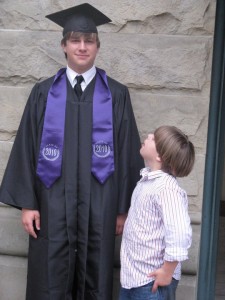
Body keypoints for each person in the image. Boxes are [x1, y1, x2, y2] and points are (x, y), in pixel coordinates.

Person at [0, 3, 144, 300]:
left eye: (88, 40)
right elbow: (27, 145)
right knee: (50, 277)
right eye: (75, 40)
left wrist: (122, 209)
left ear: (97, 46)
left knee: (96, 275)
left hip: (100, 207)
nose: (82, 46)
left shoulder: (116, 95)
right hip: (51, 206)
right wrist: (28, 203)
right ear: (63, 45)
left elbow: (128, 150)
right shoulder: (43, 93)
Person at [119, 125, 195, 300]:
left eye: (154, 138)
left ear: (160, 156)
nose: (148, 135)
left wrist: (167, 272)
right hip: (134, 278)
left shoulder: (167, 188)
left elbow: (180, 233)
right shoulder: (146, 182)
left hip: (151, 282)